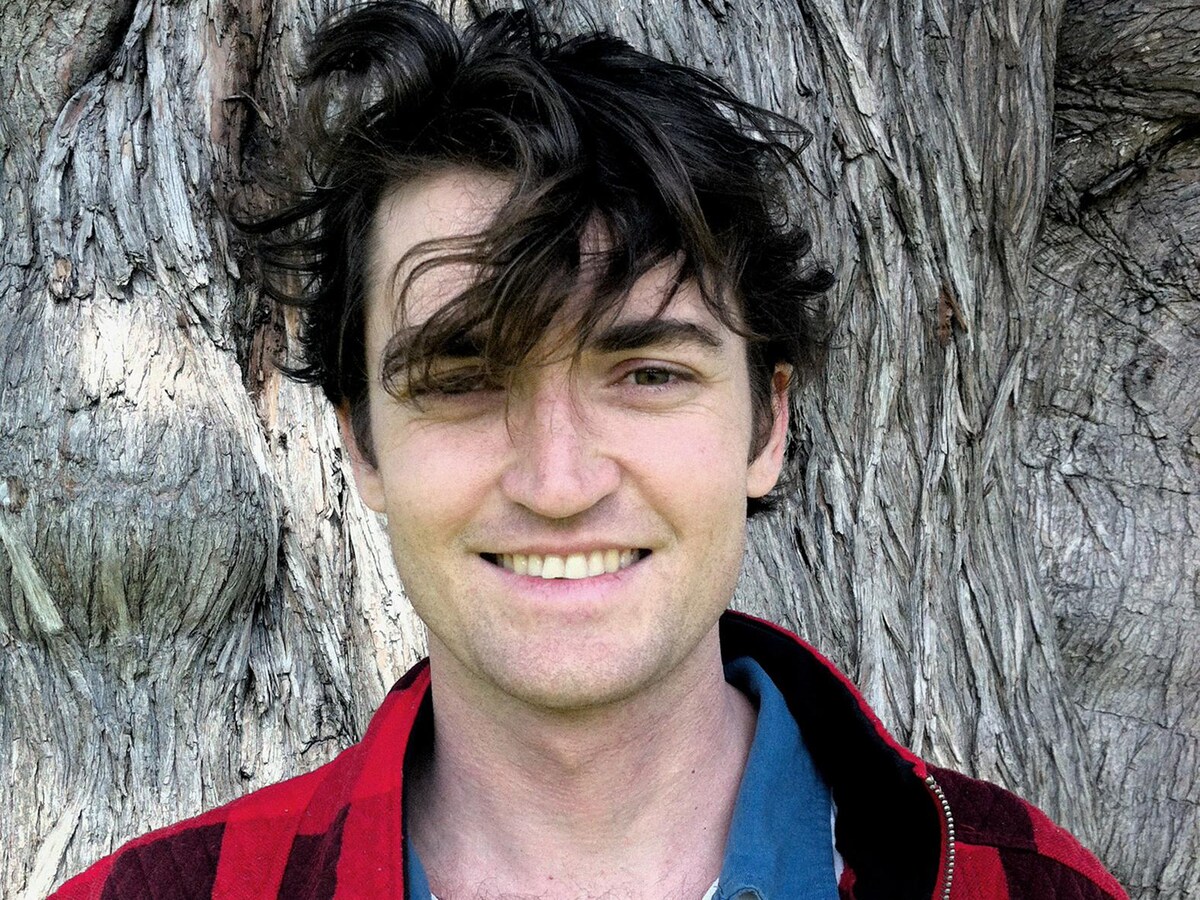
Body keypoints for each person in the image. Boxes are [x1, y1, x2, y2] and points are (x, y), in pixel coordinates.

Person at [52, 2, 1126, 898]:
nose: (560, 484)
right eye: (463, 379)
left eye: (648, 373)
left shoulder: (1028, 888)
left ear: (767, 426)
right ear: (362, 446)